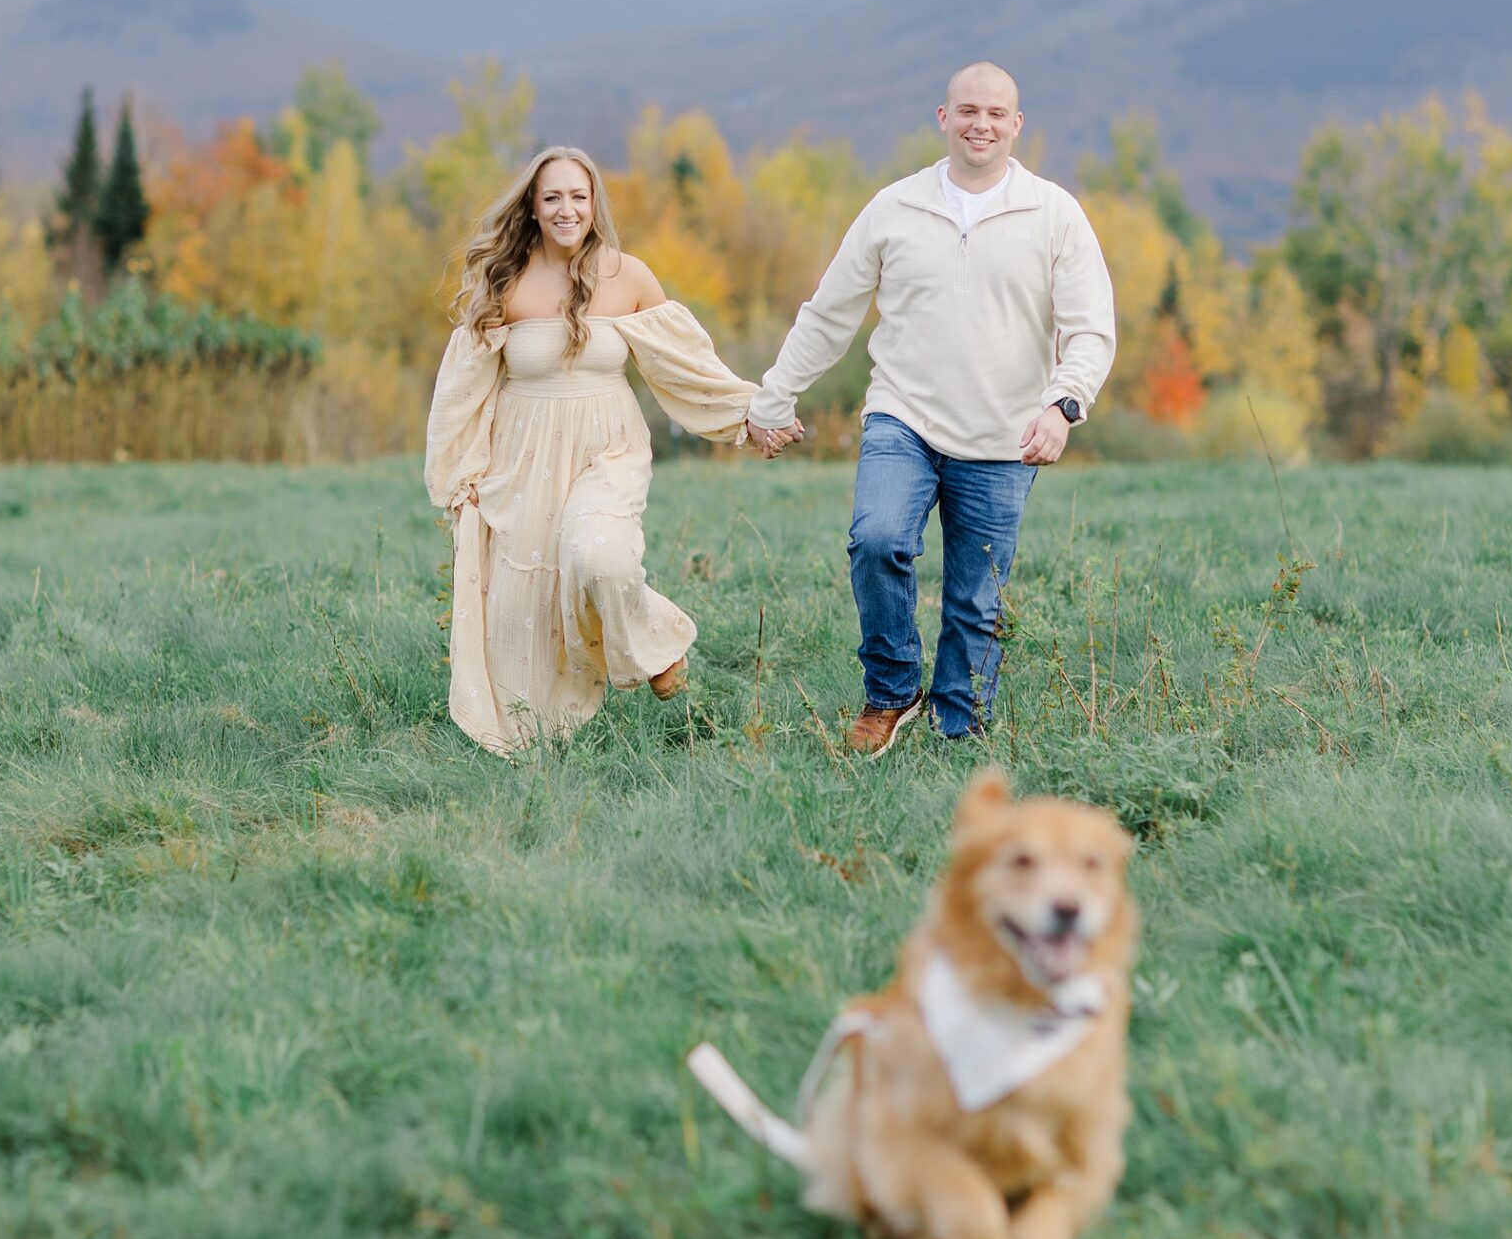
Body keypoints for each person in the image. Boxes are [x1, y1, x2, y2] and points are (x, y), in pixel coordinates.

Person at [745, 62, 1116, 750]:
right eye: (967, 110)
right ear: (942, 118)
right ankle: (890, 691)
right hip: (903, 417)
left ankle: (956, 733)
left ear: (1016, 125)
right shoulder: (894, 207)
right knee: (877, 538)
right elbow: (830, 313)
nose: (981, 124)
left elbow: (1090, 327)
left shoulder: (1052, 212)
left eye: (995, 113)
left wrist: (1062, 406)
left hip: (1005, 434)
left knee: (974, 602)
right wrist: (774, 397)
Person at [424, 146, 792, 754]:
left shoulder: (628, 277)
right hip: (521, 460)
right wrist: (460, 474)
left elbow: (685, 364)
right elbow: (463, 387)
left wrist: (750, 416)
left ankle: (653, 644)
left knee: (597, 555)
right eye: (552, 198)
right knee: (525, 605)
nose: (567, 209)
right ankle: (535, 740)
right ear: (534, 210)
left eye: (578, 196)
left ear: (594, 204)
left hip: (607, 449)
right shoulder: (506, 280)